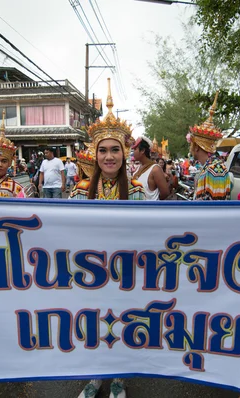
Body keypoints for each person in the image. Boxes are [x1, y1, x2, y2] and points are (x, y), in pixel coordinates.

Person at [71, 78, 144, 398]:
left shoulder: (139, 193)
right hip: (89, 274)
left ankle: (118, 379)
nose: (109, 156)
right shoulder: (77, 193)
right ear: (95, 154)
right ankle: (94, 377)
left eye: (115, 149)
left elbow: (148, 236)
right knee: (92, 327)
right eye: (103, 150)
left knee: (121, 326)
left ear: (124, 153)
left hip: (126, 274)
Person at [186, 92, 233, 200]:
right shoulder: (211, 166)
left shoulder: (216, 169)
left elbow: (217, 209)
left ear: (197, 147)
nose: (190, 148)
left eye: (191, 145)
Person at [131, 136, 169, 200]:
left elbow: (165, 193)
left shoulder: (155, 169)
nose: (133, 152)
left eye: (135, 149)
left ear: (142, 150)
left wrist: (153, 202)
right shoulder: (138, 168)